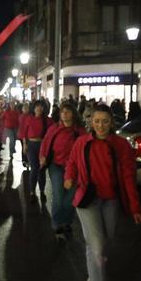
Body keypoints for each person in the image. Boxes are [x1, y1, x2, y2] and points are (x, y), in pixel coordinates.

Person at [64, 104, 141, 281]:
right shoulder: (82, 142)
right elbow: (72, 162)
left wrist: (135, 207)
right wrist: (69, 177)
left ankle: (94, 275)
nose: (100, 125)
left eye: (105, 121)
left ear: (111, 123)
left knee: (106, 241)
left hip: (111, 199)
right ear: (90, 122)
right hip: (87, 199)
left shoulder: (121, 145)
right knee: (96, 246)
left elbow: (128, 177)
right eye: (96, 121)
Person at [40, 102, 85, 242]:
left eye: (68, 111)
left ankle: (67, 221)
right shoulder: (54, 129)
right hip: (56, 166)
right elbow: (45, 143)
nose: (65, 114)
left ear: (73, 113)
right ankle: (57, 224)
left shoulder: (80, 131)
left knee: (69, 199)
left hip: (74, 169)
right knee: (59, 197)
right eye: (62, 112)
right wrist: (42, 157)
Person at [20, 101, 50, 199]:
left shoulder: (47, 120)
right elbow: (24, 132)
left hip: (43, 145)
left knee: (41, 169)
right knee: (34, 168)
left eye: (41, 106)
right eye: (37, 106)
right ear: (33, 108)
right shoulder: (29, 118)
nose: (39, 108)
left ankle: (42, 191)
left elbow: (53, 132)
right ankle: (32, 192)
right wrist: (24, 144)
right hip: (31, 145)